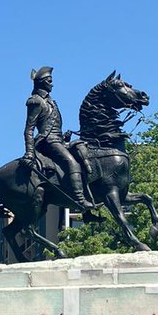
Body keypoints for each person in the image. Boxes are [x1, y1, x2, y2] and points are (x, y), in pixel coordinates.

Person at [22, 66, 96, 213]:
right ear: (41, 82)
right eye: (49, 81)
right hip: (48, 142)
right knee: (71, 163)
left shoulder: (51, 101)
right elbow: (29, 129)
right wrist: (29, 153)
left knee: (83, 151)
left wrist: (64, 137)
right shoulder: (35, 101)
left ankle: (89, 209)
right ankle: (80, 200)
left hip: (58, 140)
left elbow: (53, 126)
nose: (52, 84)